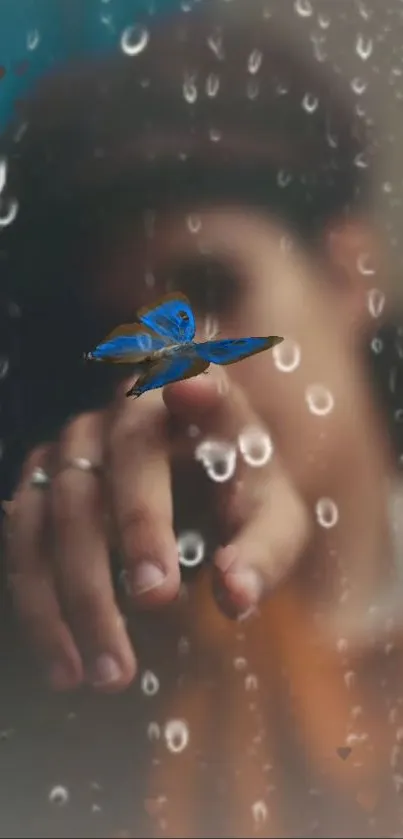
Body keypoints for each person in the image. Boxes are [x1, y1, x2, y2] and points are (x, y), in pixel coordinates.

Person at [0, 1, 403, 836]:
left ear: (350, 271)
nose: (172, 370)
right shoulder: (112, 658)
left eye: (213, 289)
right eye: (123, 340)